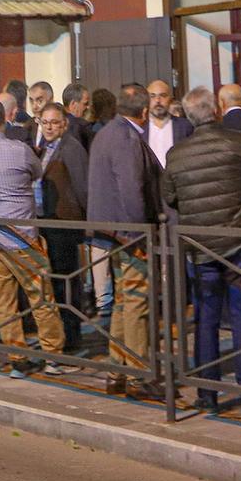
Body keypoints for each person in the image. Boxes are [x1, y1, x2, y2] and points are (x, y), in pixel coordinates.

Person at [163, 90, 241, 413]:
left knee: (205, 319)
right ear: (217, 111)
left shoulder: (177, 154)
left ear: (189, 118)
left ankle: (208, 393)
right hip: (240, 241)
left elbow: (169, 195)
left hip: (200, 245)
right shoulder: (239, 142)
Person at [0, 99, 68, 377]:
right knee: (41, 296)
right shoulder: (18, 150)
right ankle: (52, 354)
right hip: (23, 238)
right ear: (4, 119)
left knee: (3, 302)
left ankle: (17, 356)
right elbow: (38, 172)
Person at [86, 83, 160, 398]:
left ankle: (117, 370)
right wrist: (139, 233)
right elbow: (131, 190)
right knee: (136, 303)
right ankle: (137, 375)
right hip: (127, 234)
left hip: (109, 232)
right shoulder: (128, 139)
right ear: (144, 112)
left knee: (121, 302)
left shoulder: (106, 133)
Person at [34, 102, 90, 352]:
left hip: (65, 225)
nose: (49, 127)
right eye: (45, 122)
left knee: (67, 282)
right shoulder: (45, 147)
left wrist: (86, 224)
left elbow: (82, 187)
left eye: (54, 122)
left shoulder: (71, 148)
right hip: (48, 222)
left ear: (64, 124)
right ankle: (60, 334)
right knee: (55, 281)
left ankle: (71, 336)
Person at [144, 79, 194, 166]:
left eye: (163, 95)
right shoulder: (140, 129)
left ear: (170, 99)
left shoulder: (185, 127)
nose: (157, 100)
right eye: (152, 96)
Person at [58, 81, 96, 147]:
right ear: (73, 104)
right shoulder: (83, 126)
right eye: (85, 104)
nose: (88, 107)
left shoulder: (56, 125)